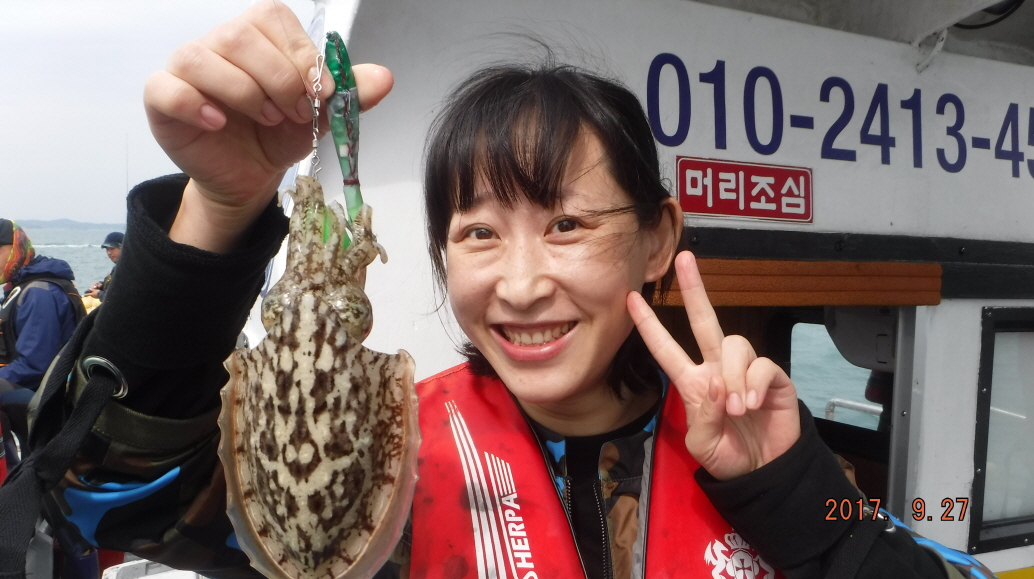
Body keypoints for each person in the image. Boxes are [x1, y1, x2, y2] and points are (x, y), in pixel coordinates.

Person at [27, 4, 992, 579]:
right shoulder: (398, 451)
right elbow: (104, 502)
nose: (522, 283)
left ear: (658, 239)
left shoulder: (782, 469)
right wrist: (219, 208)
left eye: (567, 224)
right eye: (478, 232)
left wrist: (792, 488)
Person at [0, 218, 85, 467]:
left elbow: (35, 365)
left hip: (49, 402)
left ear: (16, 247)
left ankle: (12, 474)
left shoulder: (38, 292)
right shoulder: (22, 287)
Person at [84, 231, 123, 302]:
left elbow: (120, 299)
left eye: (112, 248)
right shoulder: (118, 267)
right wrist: (102, 285)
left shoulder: (129, 269)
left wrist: (99, 294)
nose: (109, 252)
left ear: (123, 248)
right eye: (107, 249)